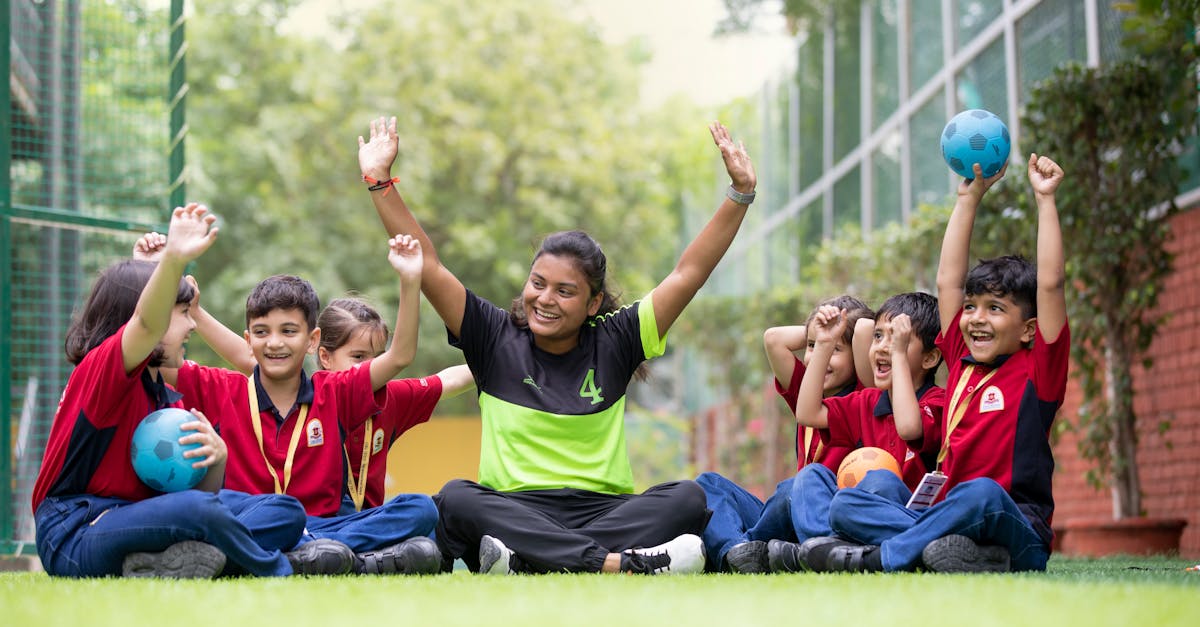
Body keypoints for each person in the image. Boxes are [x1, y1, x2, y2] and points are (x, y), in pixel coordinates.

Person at [359, 116, 756, 574]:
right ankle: (612, 564)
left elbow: (688, 273)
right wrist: (379, 181)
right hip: (514, 509)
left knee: (687, 497)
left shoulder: (618, 339)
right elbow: (426, 264)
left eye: (564, 292)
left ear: (594, 304)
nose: (544, 300)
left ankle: (529, 560)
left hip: (602, 511)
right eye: (538, 283)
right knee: (457, 498)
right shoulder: (493, 336)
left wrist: (739, 193)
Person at [801, 155, 1068, 573]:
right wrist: (968, 198)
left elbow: (1051, 283)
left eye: (995, 309)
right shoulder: (962, 362)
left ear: (1029, 329)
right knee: (854, 499)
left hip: (1015, 521)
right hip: (945, 519)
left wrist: (1045, 200)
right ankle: (959, 555)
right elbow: (949, 281)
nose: (977, 318)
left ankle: (884, 556)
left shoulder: (1039, 371)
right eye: (972, 307)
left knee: (980, 493)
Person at [31, 203, 319, 579]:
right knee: (199, 514)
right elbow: (145, 322)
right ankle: (278, 567)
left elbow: (204, 491)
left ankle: (165, 565)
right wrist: (171, 260)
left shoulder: (163, 393)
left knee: (284, 512)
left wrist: (217, 460)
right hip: (76, 531)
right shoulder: (101, 372)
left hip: (145, 519)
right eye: (183, 313)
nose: (191, 326)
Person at [161, 234, 445, 575]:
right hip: (262, 522)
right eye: (262, 332)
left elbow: (400, 356)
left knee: (421, 509)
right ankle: (339, 557)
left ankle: (294, 553)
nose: (275, 342)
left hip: (326, 527)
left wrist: (410, 281)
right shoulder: (224, 389)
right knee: (274, 515)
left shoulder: (336, 392)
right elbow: (154, 356)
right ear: (248, 341)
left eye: (289, 331)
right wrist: (159, 273)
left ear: (312, 341)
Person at [767, 292, 945, 571]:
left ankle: (835, 550)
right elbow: (807, 414)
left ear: (930, 357)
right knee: (809, 477)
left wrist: (896, 354)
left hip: (902, 515)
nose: (885, 347)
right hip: (852, 513)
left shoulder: (937, 401)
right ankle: (826, 546)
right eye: (879, 337)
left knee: (878, 483)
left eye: (899, 339)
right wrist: (824, 343)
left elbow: (909, 427)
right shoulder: (867, 403)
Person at [696, 295, 873, 573]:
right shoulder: (808, 392)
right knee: (708, 485)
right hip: (787, 511)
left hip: (822, 516)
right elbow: (773, 339)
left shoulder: (863, 398)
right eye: (812, 346)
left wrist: (835, 330)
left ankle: (747, 550)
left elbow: (864, 332)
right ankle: (738, 552)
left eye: (835, 349)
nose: (819, 354)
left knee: (793, 488)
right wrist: (821, 329)